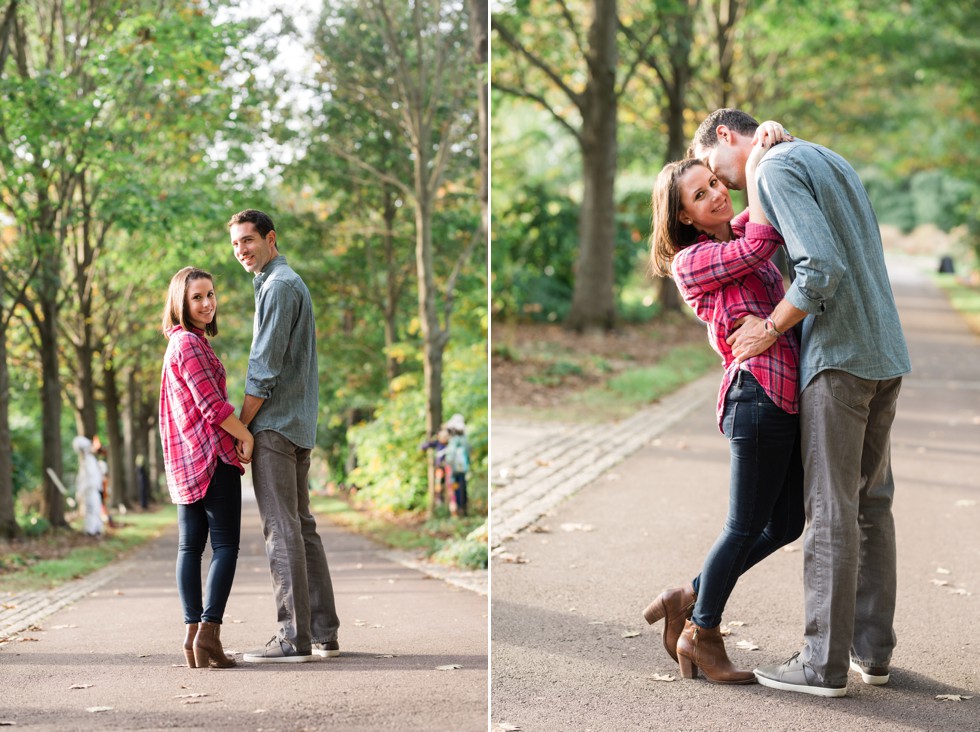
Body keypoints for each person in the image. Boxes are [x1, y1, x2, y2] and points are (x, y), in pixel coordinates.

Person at [691, 109, 911, 697]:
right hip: (884, 349)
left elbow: (820, 266)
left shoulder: (773, 171)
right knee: (872, 505)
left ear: (725, 137)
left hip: (837, 356)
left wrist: (769, 328)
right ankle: (874, 652)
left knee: (830, 508)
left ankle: (822, 666)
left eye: (716, 170)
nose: (726, 186)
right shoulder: (826, 158)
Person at [643, 121, 805, 684]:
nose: (717, 192)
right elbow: (762, 239)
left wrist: (760, 145)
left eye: (716, 180)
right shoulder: (691, 262)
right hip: (754, 396)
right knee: (743, 525)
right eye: (700, 193)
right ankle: (702, 633)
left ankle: (685, 595)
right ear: (684, 215)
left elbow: (768, 229)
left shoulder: (732, 235)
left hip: (783, 397)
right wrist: (758, 165)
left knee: (785, 523)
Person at [228, 208, 341, 664]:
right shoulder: (285, 282)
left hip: (274, 426)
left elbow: (263, 369)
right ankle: (323, 631)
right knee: (302, 525)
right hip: (299, 423)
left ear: (270, 238)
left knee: (281, 528)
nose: (242, 250)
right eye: (235, 244)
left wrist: (240, 426)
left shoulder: (277, 286)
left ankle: (294, 637)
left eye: (248, 240)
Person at [159, 266, 254, 669]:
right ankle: (209, 635)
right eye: (197, 297)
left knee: (189, 548)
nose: (207, 303)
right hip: (211, 456)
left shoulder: (180, 344)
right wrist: (244, 435)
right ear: (181, 302)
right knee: (225, 545)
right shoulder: (189, 345)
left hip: (185, 460)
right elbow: (212, 407)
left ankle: (191, 637)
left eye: (210, 294)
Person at [72, 436, 104, 537]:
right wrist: (80, 492)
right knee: (91, 510)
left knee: (96, 509)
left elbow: (95, 476)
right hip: (89, 491)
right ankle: (91, 530)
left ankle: (97, 528)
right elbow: (84, 479)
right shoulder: (86, 462)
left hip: (94, 490)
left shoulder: (90, 460)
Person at [445, 413, 470, 517]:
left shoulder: (454, 440)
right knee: (463, 487)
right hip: (463, 468)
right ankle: (463, 507)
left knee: (455, 488)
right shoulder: (464, 439)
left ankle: (458, 509)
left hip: (454, 470)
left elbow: (450, 456)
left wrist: (447, 463)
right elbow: (468, 452)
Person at [420, 426, 452, 507]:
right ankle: (439, 499)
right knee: (438, 483)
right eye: (442, 437)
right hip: (439, 468)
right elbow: (426, 445)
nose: (444, 438)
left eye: (446, 437)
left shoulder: (450, 444)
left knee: (450, 483)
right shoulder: (437, 443)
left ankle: (451, 500)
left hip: (448, 467)